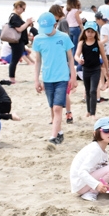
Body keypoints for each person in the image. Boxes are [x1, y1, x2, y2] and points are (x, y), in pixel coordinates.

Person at [33, 12, 76, 145]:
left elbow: (70, 58)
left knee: (58, 108)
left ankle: (53, 137)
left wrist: (73, 76)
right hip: (47, 78)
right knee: (52, 107)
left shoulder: (64, 37)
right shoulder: (38, 39)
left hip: (62, 78)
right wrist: (36, 79)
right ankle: (59, 132)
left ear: (55, 25)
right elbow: (38, 61)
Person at [69, 117, 109, 202]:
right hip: (80, 184)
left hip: (85, 183)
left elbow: (104, 168)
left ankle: (91, 191)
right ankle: (91, 193)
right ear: (95, 133)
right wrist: (96, 185)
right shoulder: (95, 149)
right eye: (106, 130)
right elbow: (81, 172)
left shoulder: (102, 149)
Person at [75, 21, 109, 119]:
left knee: (93, 90)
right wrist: (79, 60)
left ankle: (93, 113)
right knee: (87, 90)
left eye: (92, 32)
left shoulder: (98, 43)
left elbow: (104, 57)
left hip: (96, 69)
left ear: (95, 33)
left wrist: (107, 71)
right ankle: (88, 111)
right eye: (88, 31)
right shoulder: (81, 43)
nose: (90, 34)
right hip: (86, 69)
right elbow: (76, 55)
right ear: (85, 32)